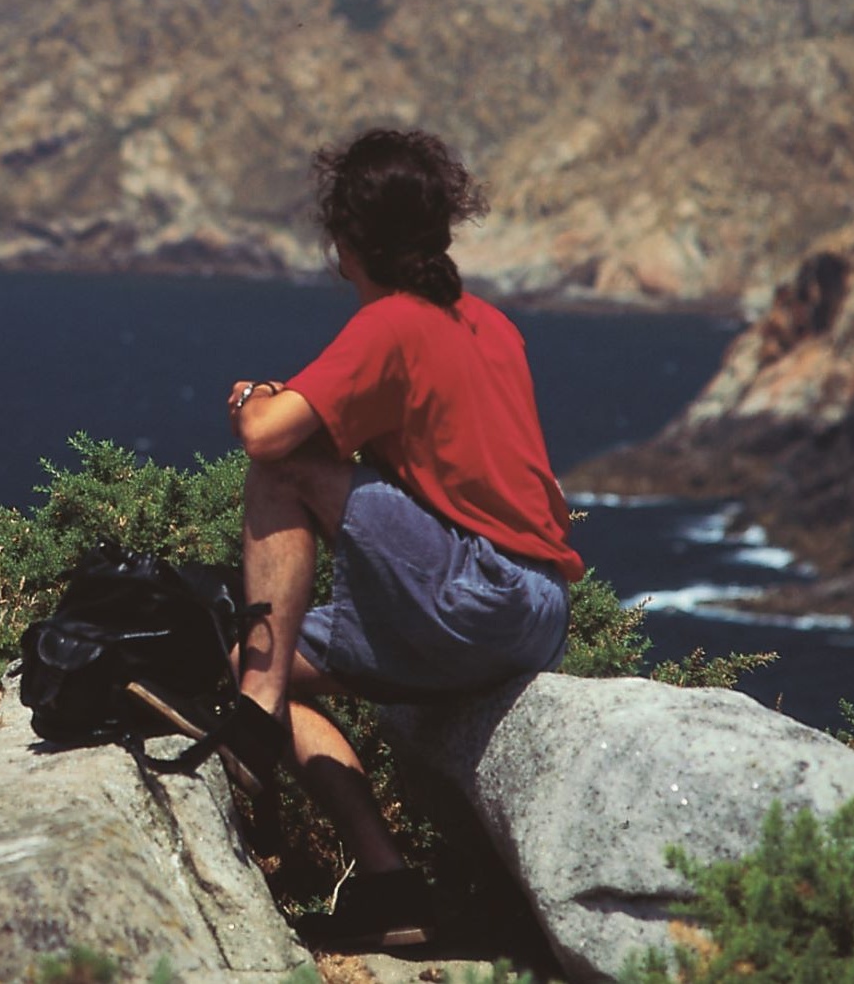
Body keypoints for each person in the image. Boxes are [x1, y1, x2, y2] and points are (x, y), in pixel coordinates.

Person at [146, 128, 578, 952]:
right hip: (537, 608)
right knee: (255, 656)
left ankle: (254, 722)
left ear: (346, 243)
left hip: (477, 594)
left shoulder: (389, 325)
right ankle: (390, 887)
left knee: (281, 471)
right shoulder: (489, 324)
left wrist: (249, 398)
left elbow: (268, 437)